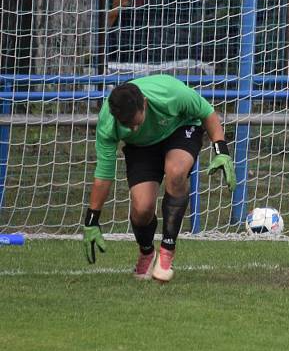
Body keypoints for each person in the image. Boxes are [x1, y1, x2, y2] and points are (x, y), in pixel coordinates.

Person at [81, 74, 236, 282]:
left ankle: (167, 251)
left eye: (136, 122)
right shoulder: (108, 123)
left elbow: (207, 112)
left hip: (180, 129)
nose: (133, 129)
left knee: (176, 172)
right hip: (141, 148)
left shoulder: (170, 94)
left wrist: (221, 151)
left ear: (144, 103)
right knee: (142, 208)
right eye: (127, 125)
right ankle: (146, 252)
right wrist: (92, 220)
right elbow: (104, 174)